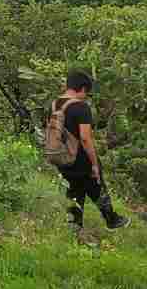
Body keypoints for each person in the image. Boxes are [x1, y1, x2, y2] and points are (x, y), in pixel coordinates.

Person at [51, 71, 131, 231]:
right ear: (82, 88)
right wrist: (94, 164)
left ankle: (74, 227)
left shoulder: (55, 104)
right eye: (86, 92)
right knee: (97, 185)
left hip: (63, 158)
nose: (86, 96)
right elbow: (86, 138)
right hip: (81, 159)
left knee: (74, 192)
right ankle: (112, 220)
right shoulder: (81, 107)